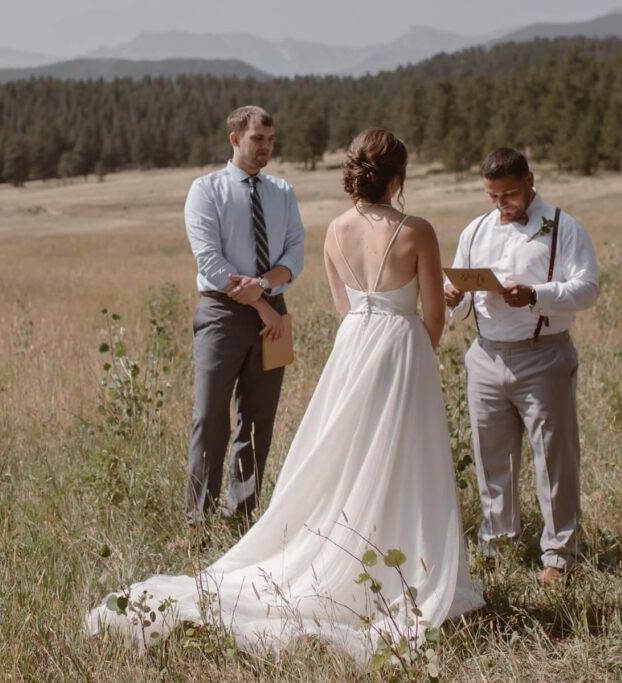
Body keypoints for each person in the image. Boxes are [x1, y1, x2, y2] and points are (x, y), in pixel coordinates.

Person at [86, 128, 484, 661]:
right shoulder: (418, 231)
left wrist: (369, 338)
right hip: (401, 348)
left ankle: (347, 548)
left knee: (347, 458)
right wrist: (415, 349)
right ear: (398, 177)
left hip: (353, 350)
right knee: (403, 458)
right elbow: (432, 314)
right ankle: (403, 565)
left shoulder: (336, 231)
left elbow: (347, 308)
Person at [444, 148, 599, 586]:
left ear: (530, 180)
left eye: (509, 193)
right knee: (491, 454)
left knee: (553, 456)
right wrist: (454, 296)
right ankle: (499, 542)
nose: (501, 204)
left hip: (543, 353)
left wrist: (536, 295)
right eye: (492, 195)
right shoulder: (475, 230)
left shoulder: (564, 227)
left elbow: (587, 290)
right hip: (486, 355)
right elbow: (459, 284)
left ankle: (560, 554)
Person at [183, 105, 305, 527]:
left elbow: (295, 254)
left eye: (271, 140)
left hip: (274, 313)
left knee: (259, 419)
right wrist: (260, 302)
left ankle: (242, 517)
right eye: (258, 140)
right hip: (222, 313)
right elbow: (210, 261)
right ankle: (198, 522)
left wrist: (267, 290)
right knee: (209, 415)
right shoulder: (205, 190)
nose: (266, 148)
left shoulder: (282, 192)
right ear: (235, 139)